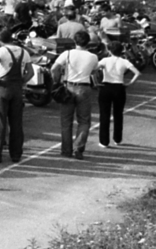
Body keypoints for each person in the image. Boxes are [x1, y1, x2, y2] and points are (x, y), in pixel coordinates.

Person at [50, 30, 99, 159]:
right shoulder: (93, 57)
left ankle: (66, 150)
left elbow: (54, 68)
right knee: (84, 121)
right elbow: (95, 72)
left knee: (66, 121)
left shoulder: (67, 54)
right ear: (88, 42)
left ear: (75, 41)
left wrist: (56, 81)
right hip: (84, 87)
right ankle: (79, 148)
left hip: (68, 87)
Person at [0, 27, 27, 163]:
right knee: (16, 123)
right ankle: (16, 154)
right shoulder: (23, 51)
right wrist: (21, 82)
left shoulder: (0, 51)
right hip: (17, 88)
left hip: (2, 87)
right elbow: (30, 73)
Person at [96, 40, 140, 148]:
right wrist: (129, 83)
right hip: (119, 87)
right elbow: (137, 73)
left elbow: (94, 70)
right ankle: (117, 139)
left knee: (104, 114)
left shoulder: (105, 60)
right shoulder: (124, 61)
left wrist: (96, 82)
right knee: (118, 114)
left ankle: (104, 141)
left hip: (106, 86)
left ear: (109, 50)